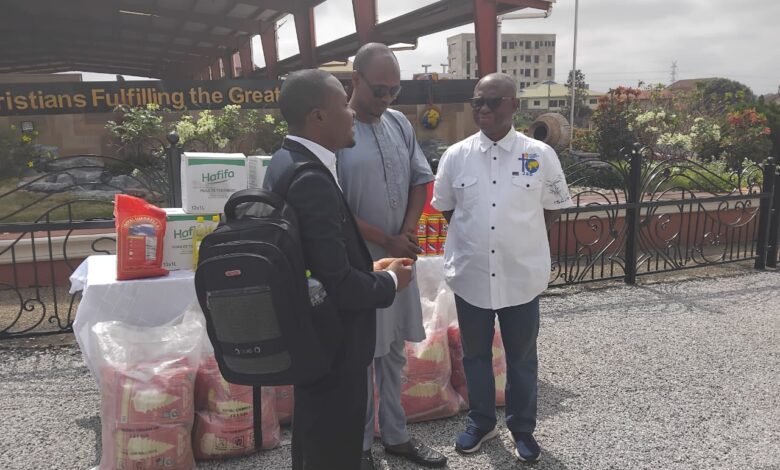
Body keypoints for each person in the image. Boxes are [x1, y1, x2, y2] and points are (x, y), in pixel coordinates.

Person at [263, 69, 414, 470]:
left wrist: (368, 266)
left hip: (313, 341)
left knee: (314, 443)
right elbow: (340, 286)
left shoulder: (285, 161)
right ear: (318, 117)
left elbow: (320, 263)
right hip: (332, 347)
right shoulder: (310, 177)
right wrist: (390, 280)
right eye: (343, 105)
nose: (352, 114)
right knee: (334, 447)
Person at [431, 73, 573, 462]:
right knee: (474, 355)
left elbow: (551, 209)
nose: (484, 109)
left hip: (520, 278)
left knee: (522, 357)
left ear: (514, 105)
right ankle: (481, 422)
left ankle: (523, 429)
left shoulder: (539, 155)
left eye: (493, 101)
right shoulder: (456, 155)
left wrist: (520, 244)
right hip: (472, 276)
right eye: (478, 101)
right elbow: (447, 208)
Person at [336, 43, 447, 470]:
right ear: (355, 81)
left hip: (400, 257)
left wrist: (406, 232)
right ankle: (360, 446)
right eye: (379, 90)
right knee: (363, 352)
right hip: (360, 262)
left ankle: (397, 435)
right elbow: (336, 204)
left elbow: (422, 179)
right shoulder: (337, 129)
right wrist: (385, 237)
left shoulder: (399, 124)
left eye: (394, 91)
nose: (385, 99)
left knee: (395, 348)